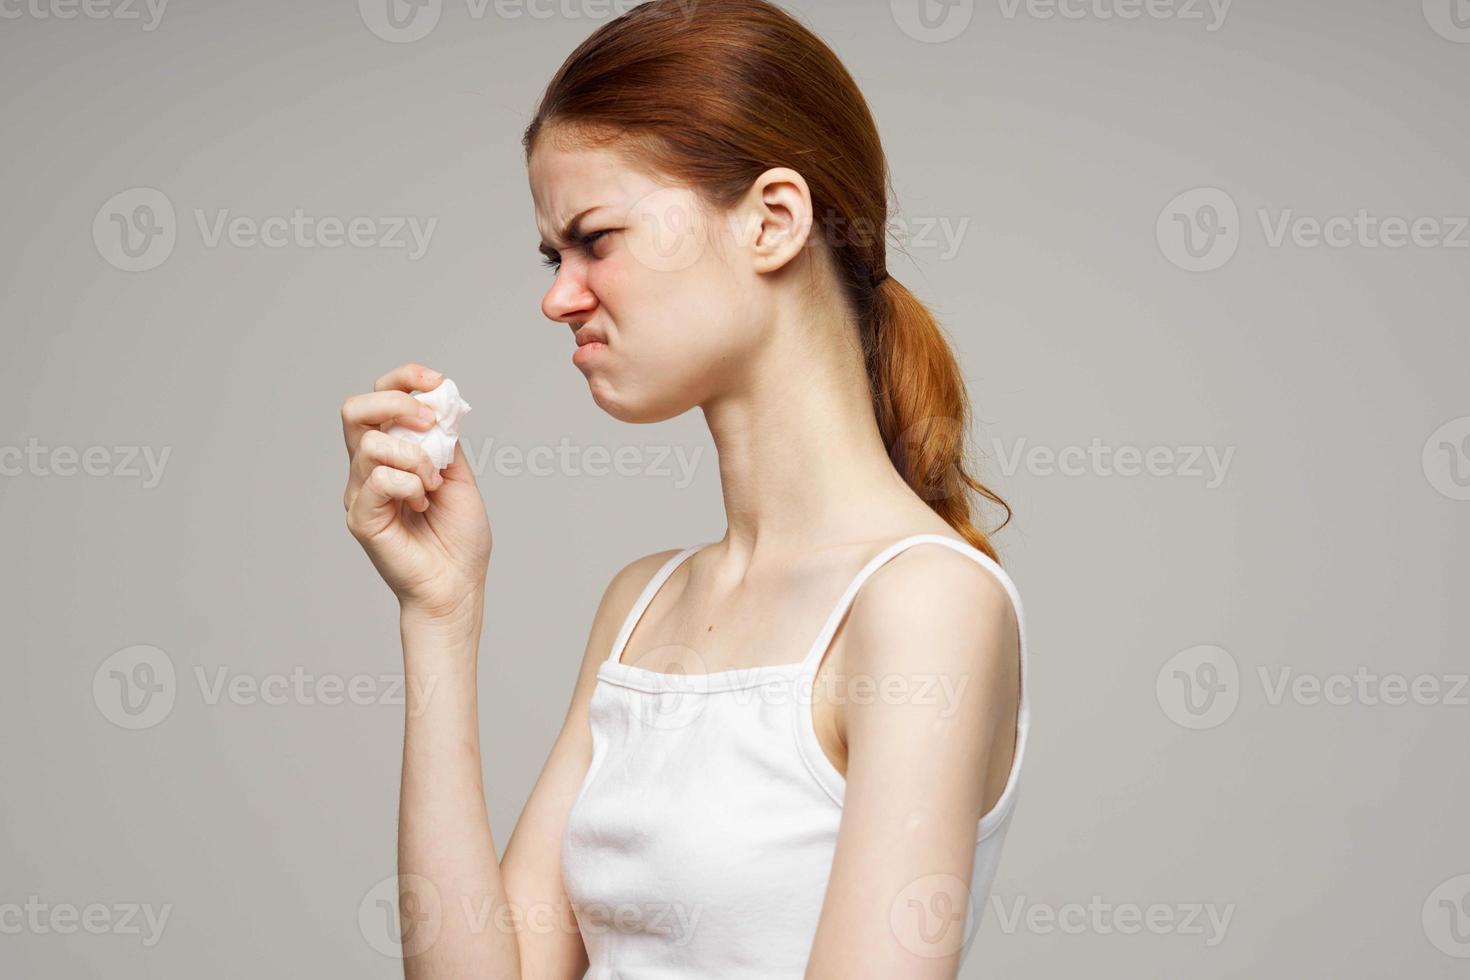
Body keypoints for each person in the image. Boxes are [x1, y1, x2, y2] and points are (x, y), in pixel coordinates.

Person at [340, 2, 1029, 976]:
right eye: (553, 254)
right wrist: (438, 610)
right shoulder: (641, 604)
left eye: (596, 238)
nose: (558, 295)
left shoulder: (923, 603)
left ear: (772, 219)